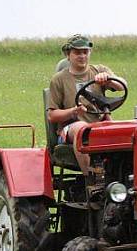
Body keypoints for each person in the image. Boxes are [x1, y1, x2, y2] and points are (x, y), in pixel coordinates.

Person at [47, 34, 126, 176]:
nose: (82, 56)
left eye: (85, 52)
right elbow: (52, 115)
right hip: (70, 129)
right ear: (68, 55)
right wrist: (73, 112)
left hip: (99, 124)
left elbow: (122, 86)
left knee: (128, 131)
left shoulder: (99, 71)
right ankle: (91, 179)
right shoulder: (59, 80)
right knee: (82, 129)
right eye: (77, 52)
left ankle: (123, 179)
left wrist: (109, 80)